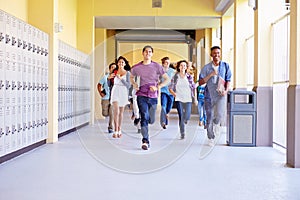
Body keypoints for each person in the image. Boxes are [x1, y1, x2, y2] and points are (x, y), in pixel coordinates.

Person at [130, 45, 170, 150]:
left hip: (153, 96)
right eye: (146, 52)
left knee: (151, 120)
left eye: (150, 52)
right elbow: (131, 77)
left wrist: (158, 87)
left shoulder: (157, 66)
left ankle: (146, 124)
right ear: (143, 53)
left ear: (152, 54)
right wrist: (134, 84)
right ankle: (145, 141)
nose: (148, 53)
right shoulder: (137, 67)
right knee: (144, 116)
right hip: (141, 95)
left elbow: (167, 79)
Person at [199, 46, 232, 146]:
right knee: (209, 116)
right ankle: (210, 137)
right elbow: (200, 82)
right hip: (209, 95)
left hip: (221, 95)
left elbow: (228, 79)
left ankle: (216, 123)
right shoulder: (206, 68)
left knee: (220, 115)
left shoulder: (225, 66)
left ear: (220, 54)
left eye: (218, 53)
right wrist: (210, 75)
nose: (216, 55)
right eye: (214, 53)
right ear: (211, 54)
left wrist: (226, 90)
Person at [169, 60, 196, 139]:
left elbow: (193, 88)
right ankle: (182, 132)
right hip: (179, 99)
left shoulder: (189, 77)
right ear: (179, 67)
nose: (183, 67)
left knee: (187, 116)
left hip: (188, 98)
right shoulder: (175, 77)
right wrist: (175, 95)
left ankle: (184, 121)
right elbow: (170, 88)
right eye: (181, 65)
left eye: (184, 65)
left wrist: (196, 99)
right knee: (181, 115)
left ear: (186, 67)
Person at [110, 56, 131, 138]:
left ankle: (119, 129)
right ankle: (115, 130)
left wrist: (121, 79)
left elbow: (128, 85)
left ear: (124, 64)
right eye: (119, 62)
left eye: (122, 62)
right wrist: (109, 78)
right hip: (115, 91)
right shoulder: (114, 72)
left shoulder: (128, 73)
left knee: (121, 112)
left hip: (123, 92)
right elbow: (109, 84)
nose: (121, 63)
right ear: (117, 63)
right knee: (116, 111)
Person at [97, 63, 117, 134]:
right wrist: (100, 93)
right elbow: (99, 85)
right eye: (112, 67)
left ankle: (110, 127)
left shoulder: (117, 78)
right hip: (106, 98)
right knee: (105, 113)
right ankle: (108, 113)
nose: (113, 69)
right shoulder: (105, 77)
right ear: (109, 69)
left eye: (115, 68)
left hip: (113, 99)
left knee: (111, 112)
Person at [159, 57, 175, 129]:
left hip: (171, 91)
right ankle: (163, 122)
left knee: (169, 107)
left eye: (168, 63)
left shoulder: (172, 71)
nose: (168, 64)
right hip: (163, 91)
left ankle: (166, 114)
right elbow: (157, 79)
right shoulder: (160, 71)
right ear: (163, 63)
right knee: (163, 106)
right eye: (166, 63)